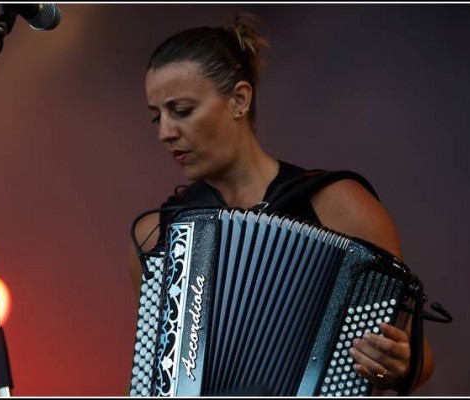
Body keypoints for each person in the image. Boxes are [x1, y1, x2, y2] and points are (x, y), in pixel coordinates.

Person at [128, 13, 434, 395]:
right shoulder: (159, 234)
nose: (165, 133)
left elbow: (415, 354)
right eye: (156, 117)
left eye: (182, 111)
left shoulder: (338, 203)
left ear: (239, 99)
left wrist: (400, 363)